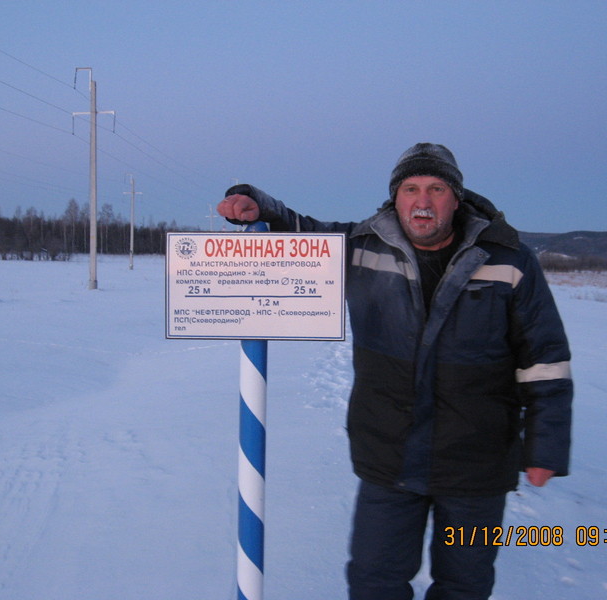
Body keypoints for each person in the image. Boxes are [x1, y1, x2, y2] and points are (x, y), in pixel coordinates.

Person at [217, 143, 573, 600]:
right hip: (389, 456)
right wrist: (254, 203)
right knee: (374, 581)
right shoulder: (363, 247)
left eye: (435, 189)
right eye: (411, 189)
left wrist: (545, 445)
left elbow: (545, 359)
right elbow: (299, 229)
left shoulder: (509, 260)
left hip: (477, 463)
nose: (422, 202)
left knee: (464, 585)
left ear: (456, 198)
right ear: (395, 196)